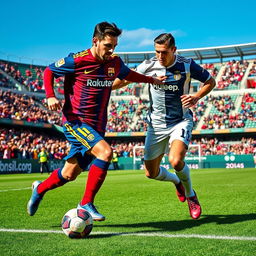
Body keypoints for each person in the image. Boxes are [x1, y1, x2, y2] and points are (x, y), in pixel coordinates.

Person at [27, 21, 165, 221]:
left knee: (69, 174)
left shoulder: (114, 63)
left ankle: (40, 188)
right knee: (106, 152)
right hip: (76, 121)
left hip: (98, 126)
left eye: (115, 46)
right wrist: (50, 95)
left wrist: (152, 80)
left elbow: (129, 75)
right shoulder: (77, 60)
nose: (111, 50)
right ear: (95, 41)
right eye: (108, 45)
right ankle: (86, 203)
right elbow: (49, 71)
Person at [114, 33, 215, 219]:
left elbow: (210, 82)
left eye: (164, 52)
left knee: (176, 161)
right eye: (157, 52)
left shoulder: (187, 64)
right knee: (150, 173)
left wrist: (196, 96)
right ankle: (177, 181)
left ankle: (191, 194)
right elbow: (126, 79)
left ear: (174, 50)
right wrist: (103, 86)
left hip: (180, 120)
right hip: (156, 125)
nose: (160, 56)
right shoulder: (148, 65)